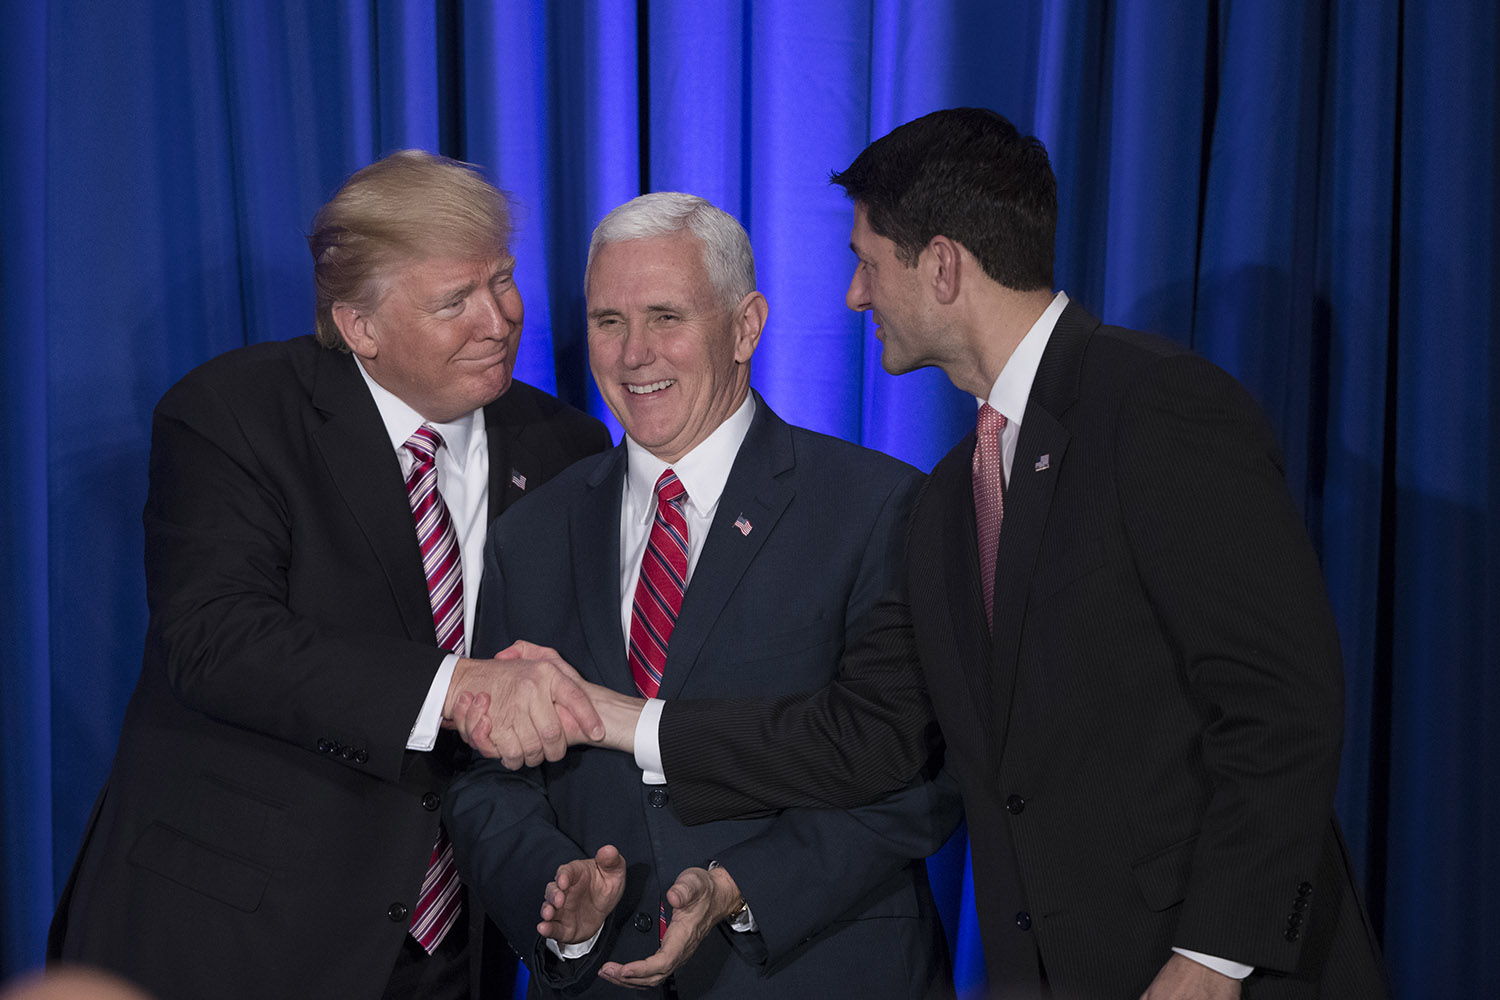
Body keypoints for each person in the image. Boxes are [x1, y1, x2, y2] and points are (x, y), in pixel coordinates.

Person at [472, 111, 1392, 999]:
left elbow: (1281, 705)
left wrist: (1212, 956)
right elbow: (912, 742)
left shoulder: (1154, 407)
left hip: (1206, 968)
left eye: (867, 263)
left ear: (942, 266)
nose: (853, 295)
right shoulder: (958, 488)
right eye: (608, 321)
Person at [46, 150, 612, 1000]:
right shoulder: (234, 414)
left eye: (502, 280)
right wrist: (454, 687)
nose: (498, 321)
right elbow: (216, 640)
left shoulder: (567, 445)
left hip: (452, 948)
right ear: (359, 327)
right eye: (454, 301)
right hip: (236, 931)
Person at [443, 192, 960, 998]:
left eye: (666, 316)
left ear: (746, 327)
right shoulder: (531, 531)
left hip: (816, 971)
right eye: (609, 321)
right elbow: (489, 776)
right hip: (603, 976)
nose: (634, 353)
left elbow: (925, 770)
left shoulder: (880, 507)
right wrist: (556, 893)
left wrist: (744, 888)